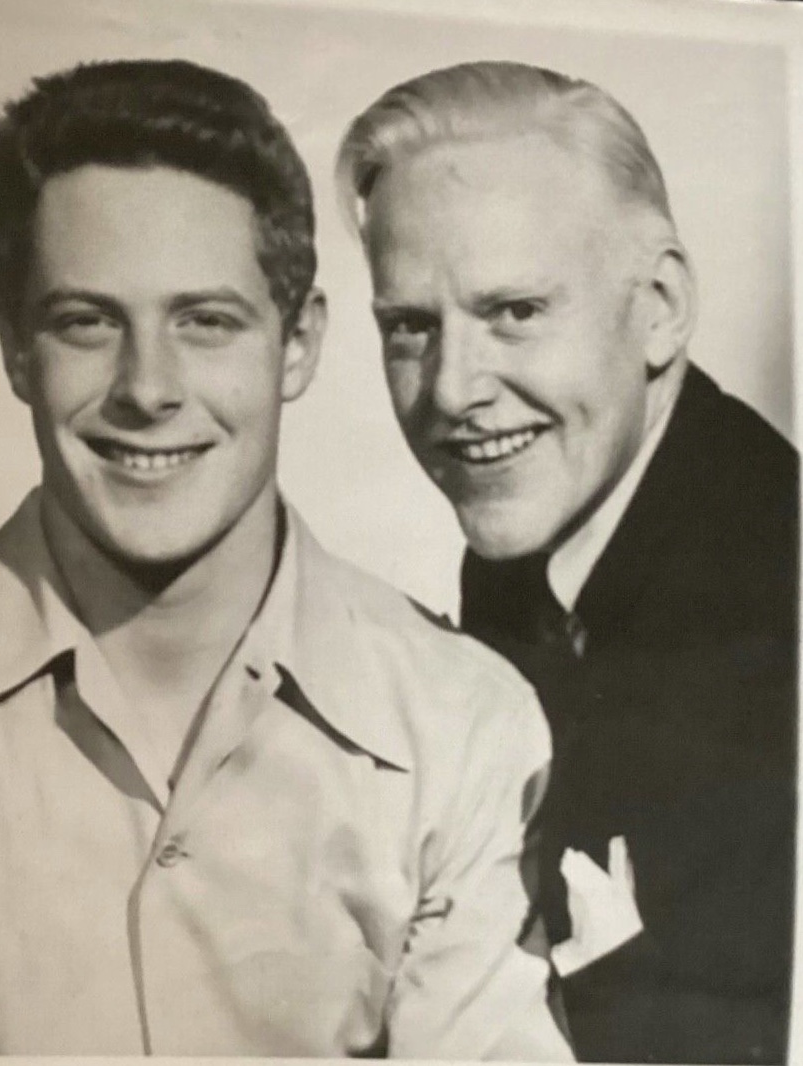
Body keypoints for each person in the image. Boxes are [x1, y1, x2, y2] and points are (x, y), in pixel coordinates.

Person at [0, 58, 570, 1059]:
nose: (148, 389)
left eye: (207, 322)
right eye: (87, 323)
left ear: (297, 343)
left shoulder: (464, 722)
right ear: (13, 345)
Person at [336, 61, 796, 1064]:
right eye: (409, 327)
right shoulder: (542, 545)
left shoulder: (773, 600)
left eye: (515, 311)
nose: (453, 388)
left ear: (663, 307)